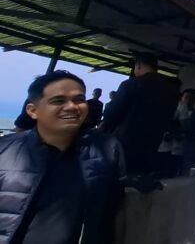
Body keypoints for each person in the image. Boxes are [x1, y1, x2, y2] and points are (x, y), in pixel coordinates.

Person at [0, 71, 125, 243]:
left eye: (79, 100)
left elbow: (110, 207)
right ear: (33, 110)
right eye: (58, 101)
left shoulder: (108, 150)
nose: (72, 107)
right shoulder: (6, 150)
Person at [101, 52, 180, 175]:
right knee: (138, 181)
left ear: (138, 66)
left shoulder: (131, 84)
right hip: (152, 144)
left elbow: (112, 115)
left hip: (124, 142)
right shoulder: (172, 91)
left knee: (115, 179)